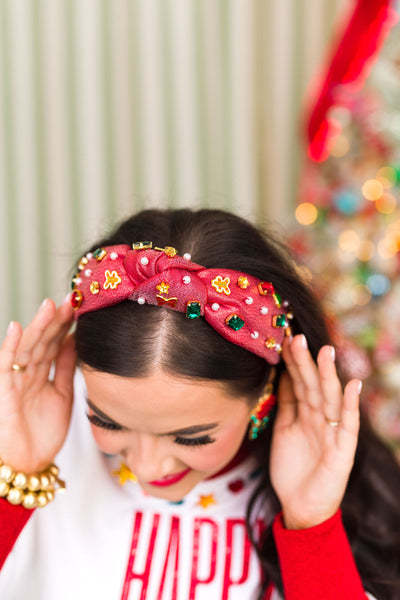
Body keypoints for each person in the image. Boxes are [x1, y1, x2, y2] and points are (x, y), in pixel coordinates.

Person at [0, 208, 400, 600]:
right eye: (106, 420)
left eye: (190, 439)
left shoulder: (338, 494)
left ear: (263, 395)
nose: (146, 466)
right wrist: (15, 473)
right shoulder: (45, 437)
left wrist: (310, 526)